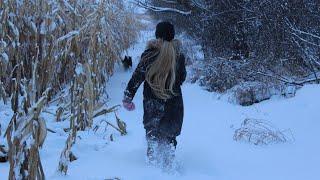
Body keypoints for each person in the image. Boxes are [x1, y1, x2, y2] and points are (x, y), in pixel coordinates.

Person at [122, 21, 186, 168]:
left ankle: (152, 170)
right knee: (169, 139)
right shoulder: (179, 56)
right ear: (172, 36)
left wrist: (127, 98)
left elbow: (137, 78)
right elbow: (182, 78)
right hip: (174, 105)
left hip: (152, 104)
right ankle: (169, 168)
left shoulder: (148, 55)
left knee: (152, 138)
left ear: (157, 35)